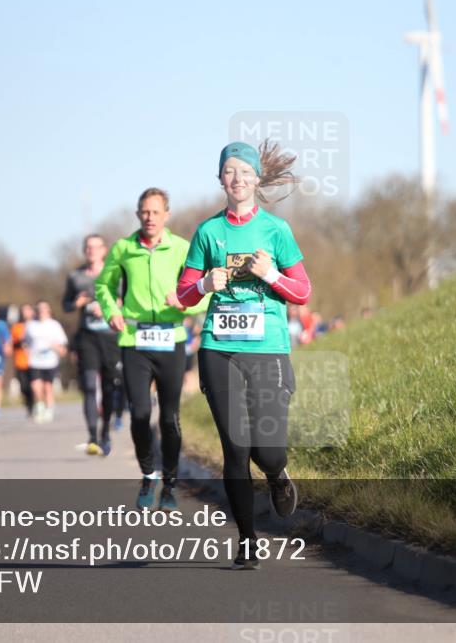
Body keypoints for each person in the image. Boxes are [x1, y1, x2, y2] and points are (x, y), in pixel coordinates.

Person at [176, 141, 311, 569]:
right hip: (219, 348)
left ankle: (276, 474)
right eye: (229, 171)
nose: (236, 179)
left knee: (267, 450)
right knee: (235, 448)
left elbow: (303, 293)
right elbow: (182, 295)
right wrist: (204, 286)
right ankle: (248, 539)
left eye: (244, 172)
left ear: (256, 179)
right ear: (220, 179)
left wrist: (270, 274)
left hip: (268, 349)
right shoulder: (207, 233)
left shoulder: (277, 230)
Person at [96, 188, 209, 510]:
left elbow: (203, 291)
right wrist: (111, 311)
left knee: (170, 419)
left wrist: (183, 304)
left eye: (155, 212)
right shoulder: (123, 248)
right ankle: (149, 474)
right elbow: (103, 285)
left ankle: (170, 485)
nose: (149, 217)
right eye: (144, 212)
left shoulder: (182, 249)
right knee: (141, 413)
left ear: (166, 215)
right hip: (135, 339)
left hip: (172, 339)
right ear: (137, 214)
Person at [62, 235, 123, 455]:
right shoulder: (75, 276)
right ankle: (92, 436)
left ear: (103, 250)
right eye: (87, 247)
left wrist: (109, 306)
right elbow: (66, 305)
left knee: (109, 386)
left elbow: (126, 300)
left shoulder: (115, 272)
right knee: (88, 385)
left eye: (95, 247)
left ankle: (105, 430)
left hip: (110, 336)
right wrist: (77, 302)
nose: (91, 251)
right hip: (86, 337)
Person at [25, 300, 67, 423]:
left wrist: (58, 348)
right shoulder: (31, 325)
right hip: (35, 361)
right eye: (39, 308)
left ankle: (49, 409)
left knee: (47, 387)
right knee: (36, 387)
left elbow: (62, 343)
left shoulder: (54, 325)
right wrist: (27, 350)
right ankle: (40, 406)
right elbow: (25, 341)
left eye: (44, 308)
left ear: (49, 310)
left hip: (50, 361)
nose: (41, 311)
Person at [11, 303, 35, 417]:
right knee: (24, 386)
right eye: (23, 311)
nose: (25, 313)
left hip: (35, 361)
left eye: (28, 310)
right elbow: (11, 344)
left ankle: (36, 405)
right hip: (21, 361)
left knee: (34, 385)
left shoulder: (36, 325)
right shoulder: (17, 327)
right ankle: (28, 405)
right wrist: (20, 343)